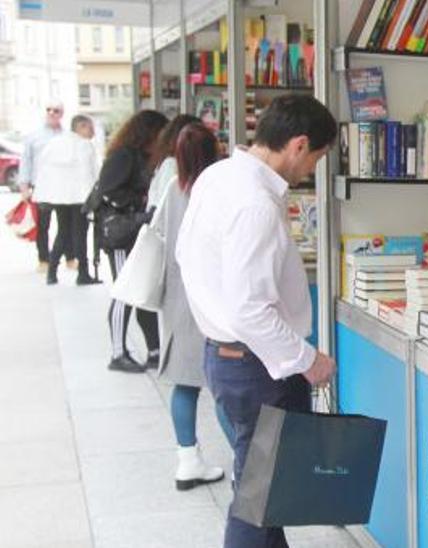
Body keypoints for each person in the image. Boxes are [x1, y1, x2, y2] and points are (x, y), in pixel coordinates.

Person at [176, 94, 337, 548]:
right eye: (317, 159)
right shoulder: (257, 204)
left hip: (226, 357)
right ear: (299, 144)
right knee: (256, 501)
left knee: (267, 494)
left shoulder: (218, 176)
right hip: (258, 368)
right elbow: (250, 308)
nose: (311, 171)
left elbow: (186, 255)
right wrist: (308, 360)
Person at [152, 121, 236, 491]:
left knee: (185, 383)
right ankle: (243, 461)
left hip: (177, 297)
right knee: (223, 386)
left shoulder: (174, 188)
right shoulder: (220, 189)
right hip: (213, 297)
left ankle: (187, 461)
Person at [98, 109, 168, 373]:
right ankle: (118, 352)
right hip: (120, 233)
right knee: (124, 292)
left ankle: (154, 349)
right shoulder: (124, 156)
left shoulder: (140, 156)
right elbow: (108, 191)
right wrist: (139, 202)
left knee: (143, 289)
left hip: (134, 230)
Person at [33, 114, 99, 285]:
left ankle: (52, 272)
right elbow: (88, 174)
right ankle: (83, 273)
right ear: (81, 127)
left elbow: (44, 169)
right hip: (79, 197)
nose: (93, 132)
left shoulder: (55, 143)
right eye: (90, 128)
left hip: (58, 197)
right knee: (80, 235)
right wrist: (93, 198)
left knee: (63, 232)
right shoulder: (84, 145)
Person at [19, 100, 64, 272]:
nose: (52, 113)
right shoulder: (34, 136)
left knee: (65, 224)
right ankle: (44, 259)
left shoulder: (66, 135)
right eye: (49, 110)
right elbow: (26, 162)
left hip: (62, 187)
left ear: (62, 114)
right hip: (41, 187)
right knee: (43, 225)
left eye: (56, 110)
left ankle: (68, 257)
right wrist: (24, 186)